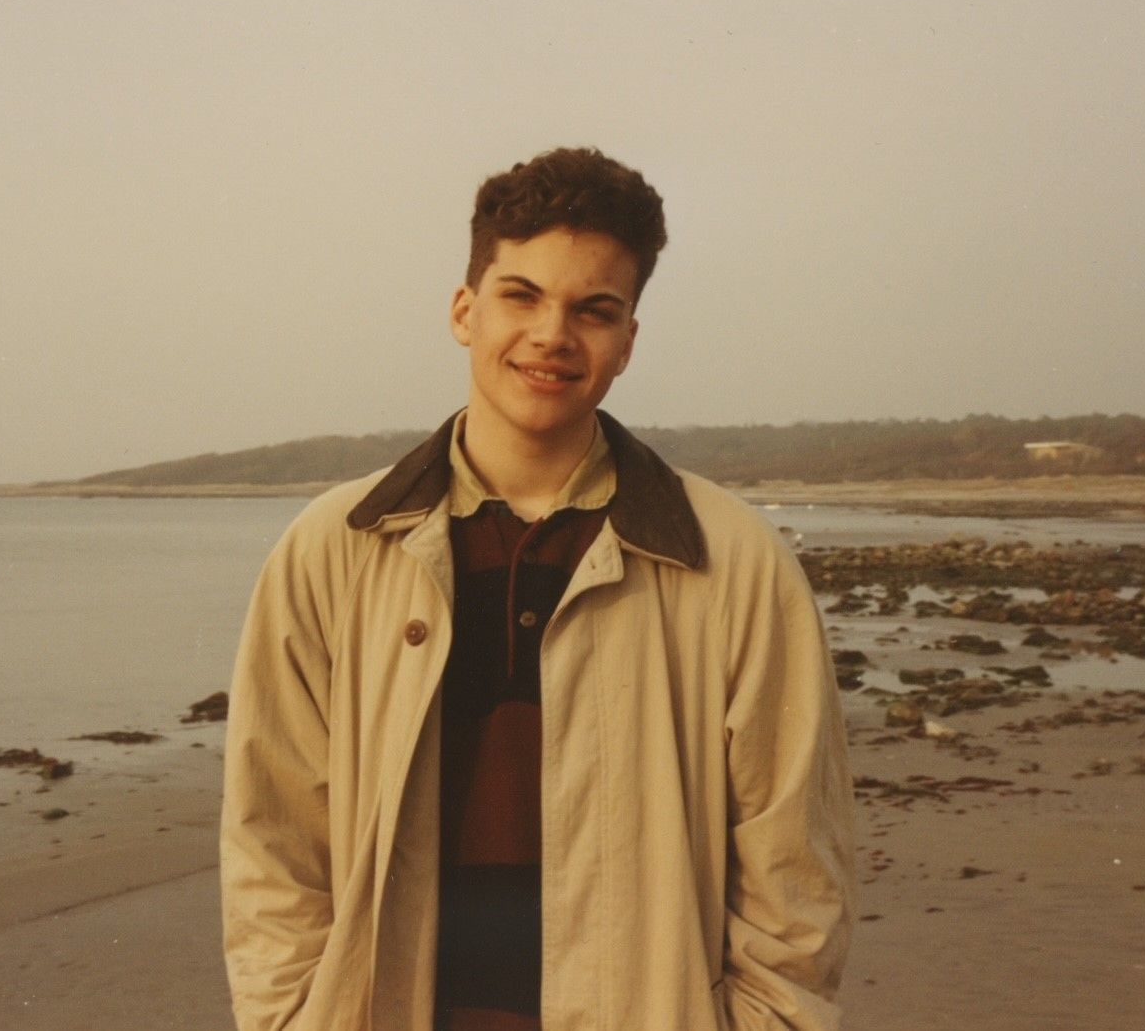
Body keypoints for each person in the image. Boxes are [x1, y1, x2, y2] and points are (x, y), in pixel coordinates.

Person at [221, 147, 856, 1031]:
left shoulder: (732, 561)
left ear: (627, 340)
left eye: (593, 310)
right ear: (463, 310)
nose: (552, 335)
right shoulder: (332, 550)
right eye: (521, 296)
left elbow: (797, 870)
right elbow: (273, 840)